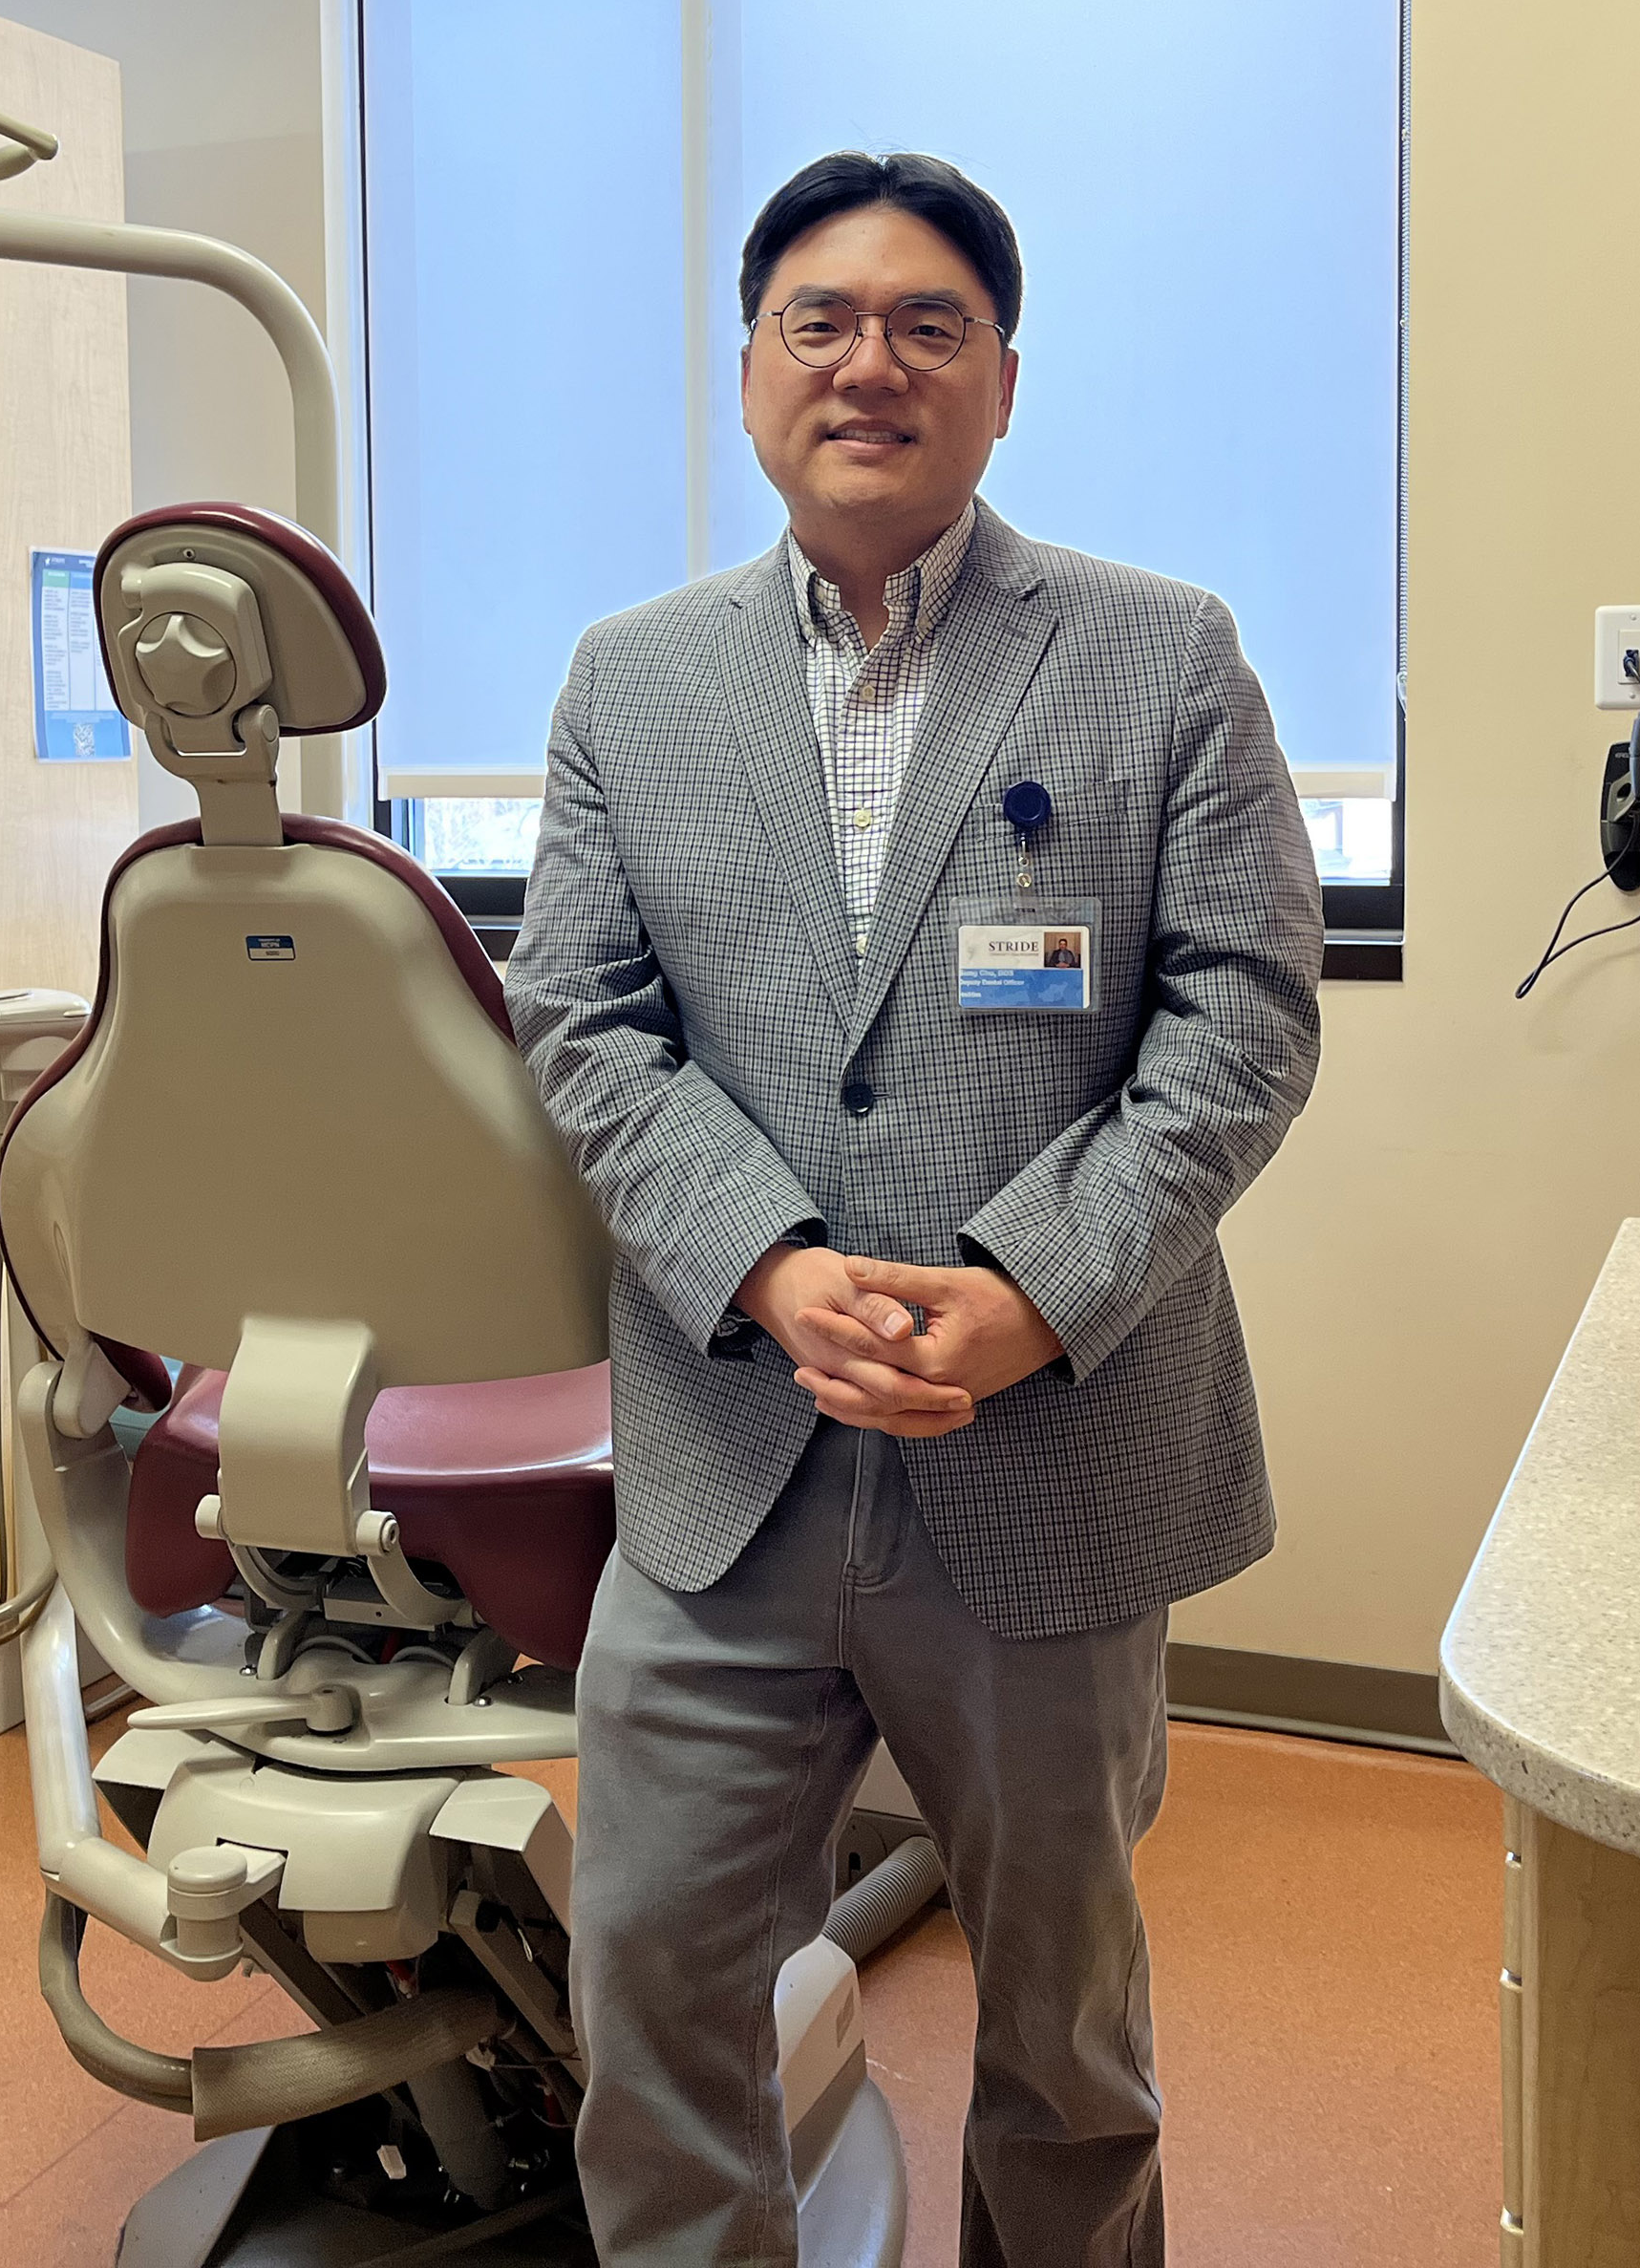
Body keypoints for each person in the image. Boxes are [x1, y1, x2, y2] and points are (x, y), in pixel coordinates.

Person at [506, 149, 1328, 2265]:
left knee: (1063, 2027)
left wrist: (1028, 1292)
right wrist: (774, 1268)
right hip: (724, 1472)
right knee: (656, 1992)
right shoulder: (631, 679)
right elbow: (584, 1022)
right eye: (821, 320)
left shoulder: (1162, 657)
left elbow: (1239, 1026)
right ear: (753, 368)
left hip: (1046, 1462)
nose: (869, 362)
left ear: (1003, 378)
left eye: (926, 323)